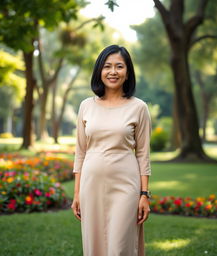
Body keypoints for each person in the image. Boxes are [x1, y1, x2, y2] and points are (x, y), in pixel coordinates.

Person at [71, 44, 152, 256]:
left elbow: (143, 154)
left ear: (128, 73)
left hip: (126, 185)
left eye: (119, 66)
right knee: (94, 244)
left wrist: (144, 194)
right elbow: (80, 152)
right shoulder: (86, 106)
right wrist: (77, 193)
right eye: (107, 66)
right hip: (91, 185)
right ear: (99, 71)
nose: (113, 72)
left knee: (121, 246)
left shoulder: (138, 107)